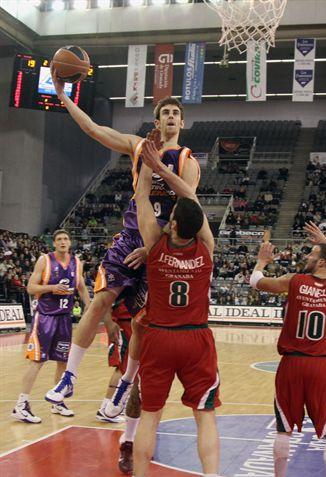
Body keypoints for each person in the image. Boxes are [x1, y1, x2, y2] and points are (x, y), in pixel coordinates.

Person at [46, 67, 200, 405]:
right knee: (100, 299)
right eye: (165, 113)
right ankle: (69, 378)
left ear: (182, 123)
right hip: (131, 236)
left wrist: (154, 248)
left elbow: (189, 209)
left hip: (161, 246)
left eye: (176, 113)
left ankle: (126, 384)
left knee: (144, 324)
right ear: (157, 122)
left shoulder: (188, 160)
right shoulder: (138, 146)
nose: (171, 117)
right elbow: (92, 127)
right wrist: (62, 95)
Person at [131, 140, 223, 477]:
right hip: (196, 340)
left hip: (159, 339)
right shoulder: (207, 248)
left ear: (171, 224)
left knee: (150, 416)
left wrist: (148, 162)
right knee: (205, 415)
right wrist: (167, 171)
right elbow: (191, 199)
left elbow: (141, 196)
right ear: (196, 226)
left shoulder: (154, 244)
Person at [249, 225, 326, 477]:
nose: (307, 256)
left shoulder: (294, 281)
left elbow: (255, 282)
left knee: (283, 430)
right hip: (322, 366)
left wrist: (261, 261)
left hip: (292, 365)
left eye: (312, 254)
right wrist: (324, 242)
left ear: (322, 261)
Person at [11, 229, 90, 423]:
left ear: (70, 242)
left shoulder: (76, 262)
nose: (63, 242)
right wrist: (51, 288)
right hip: (45, 317)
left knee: (63, 361)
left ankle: (58, 402)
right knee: (37, 361)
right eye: (59, 239)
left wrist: (89, 307)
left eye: (66, 239)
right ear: (54, 243)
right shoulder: (44, 260)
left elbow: (80, 286)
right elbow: (30, 287)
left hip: (64, 318)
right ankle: (21, 405)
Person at [98, 298, 141, 474]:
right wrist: (109, 323)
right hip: (122, 324)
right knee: (121, 368)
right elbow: (104, 299)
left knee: (130, 371)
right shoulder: (122, 275)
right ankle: (106, 406)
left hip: (134, 324)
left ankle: (109, 406)